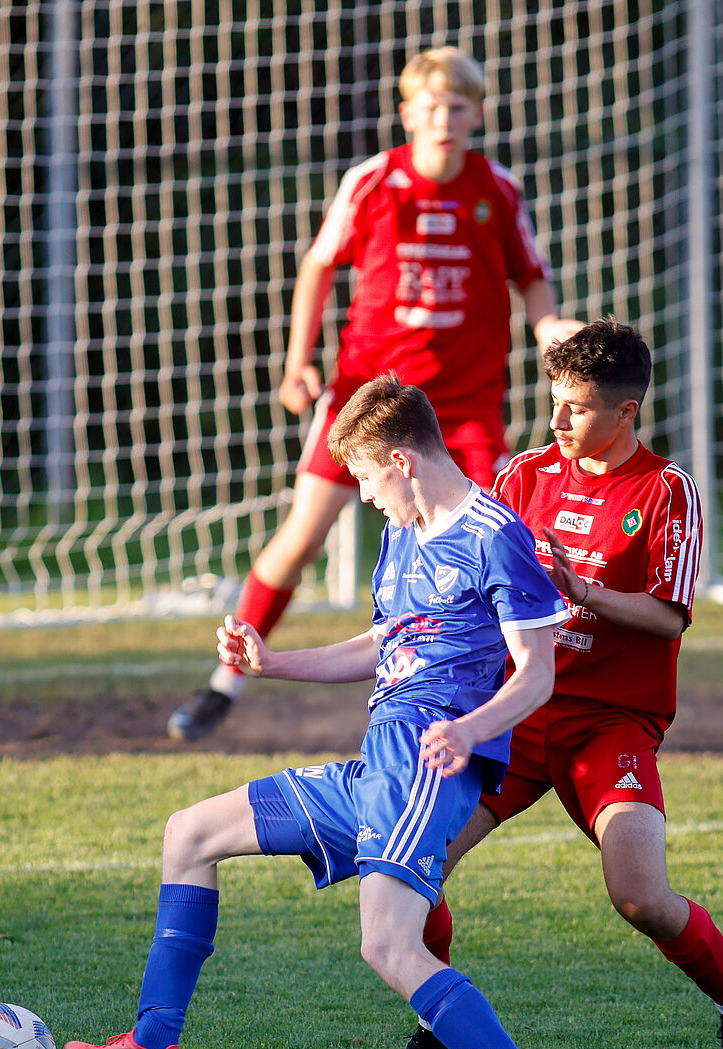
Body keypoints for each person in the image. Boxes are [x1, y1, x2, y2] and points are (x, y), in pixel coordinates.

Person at [69, 375, 575, 1049]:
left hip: (427, 771)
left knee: (388, 943)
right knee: (189, 833)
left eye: (367, 478)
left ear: (401, 461)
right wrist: (273, 664)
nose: (365, 497)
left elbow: (538, 672)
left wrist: (473, 729)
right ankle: (152, 1044)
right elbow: (382, 644)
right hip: (376, 766)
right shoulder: (403, 535)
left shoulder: (493, 535)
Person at [376, 319, 723, 1049]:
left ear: (626, 413)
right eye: (554, 401)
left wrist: (580, 588)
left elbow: (668, 615)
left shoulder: (665, 490)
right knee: (416, 864)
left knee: (640, 897)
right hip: (520, 713)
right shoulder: (525, 474)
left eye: (578, 407)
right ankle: (436, 1019)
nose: (558, 420)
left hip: (610, 722)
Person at [169, 46, 584, 742]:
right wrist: (299, 361)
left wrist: (549, 328)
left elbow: (531, 276)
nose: (445, 120)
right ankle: (227, 680)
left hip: (463, 403)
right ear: (406, 115)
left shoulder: (496, 189)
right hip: (369, 397)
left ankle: (503, 691)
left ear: (478, 114)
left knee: (496, 536)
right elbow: (320, 263)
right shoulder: (374, 181)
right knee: (301, 537)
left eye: (458, 108)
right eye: (431, 108)